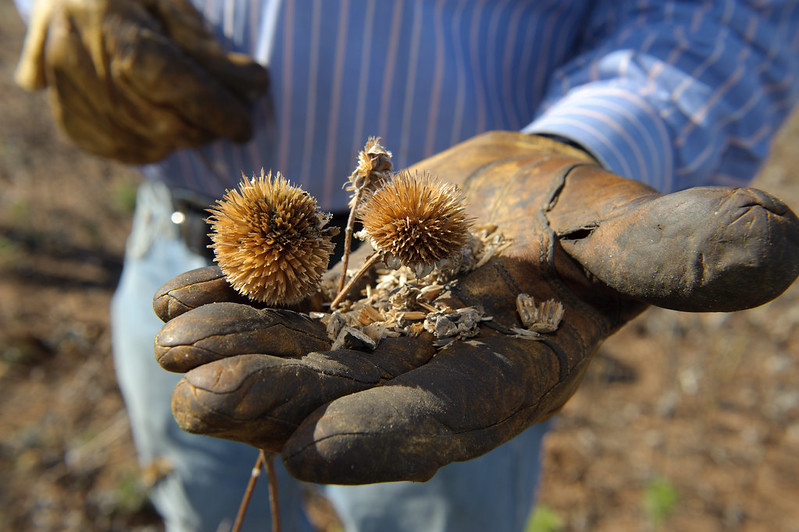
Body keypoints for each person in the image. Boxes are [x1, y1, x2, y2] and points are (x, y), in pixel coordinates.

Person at [13, 1, 799, 531]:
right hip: (179, 253)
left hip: (470, 286)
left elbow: (727, 17)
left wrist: (583, 146)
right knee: (202, 502)